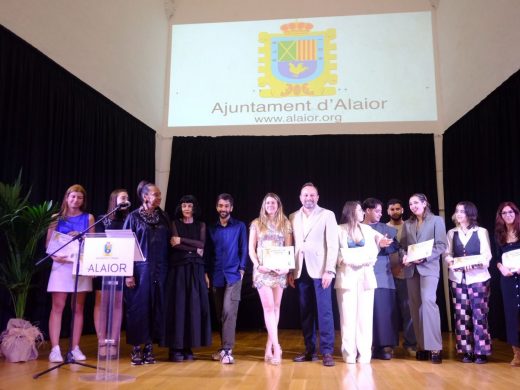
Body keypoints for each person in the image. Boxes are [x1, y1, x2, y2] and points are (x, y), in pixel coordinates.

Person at [289, 182, 338, 367]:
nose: (308, 198)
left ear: (317, 197)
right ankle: (310, 350)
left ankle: (327, 352)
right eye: (305, 195)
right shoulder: (293, 216)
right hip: (300, 270)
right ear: (300, 197)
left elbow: (333, 244)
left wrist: (329, 270)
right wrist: (292, 270)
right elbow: (292, 245)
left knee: (324, 311)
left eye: (312, 195)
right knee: (306, 312)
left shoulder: (327, 214)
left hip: (321, 271)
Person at [46, 184, 95, 363]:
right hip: (60, 266)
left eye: (79, 198)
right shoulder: (55, 218)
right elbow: (48, 245)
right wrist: (56, 256)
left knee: (78, 308)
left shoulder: (89, 218)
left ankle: (75, 347)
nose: (76, 200)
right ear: (67, 197)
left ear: (83, 200)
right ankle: (55, 349)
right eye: (73, 196)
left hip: (79, 266)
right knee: (58, 306)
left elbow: (92, 244)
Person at [123, 181, 171, 365]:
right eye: (155, 194)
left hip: (160, 270)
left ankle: (149, 347)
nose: (159, 197)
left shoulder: (163, 217)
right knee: (138, 309)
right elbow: (126, 247)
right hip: (139, 271)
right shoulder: (134, 217)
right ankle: (136, 348)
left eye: (159, 195)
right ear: (145, 196)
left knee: (156, 308)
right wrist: (128, 273)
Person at [336, 201, 387, 364]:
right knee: (347, 316)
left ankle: (365, 353)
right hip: (347, 275)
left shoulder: (368, 229)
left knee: (365, 317)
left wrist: (382, 242)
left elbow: (376, 247)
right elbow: (333, 251)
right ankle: (349, 353)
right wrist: (342, 259)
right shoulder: (339, 229)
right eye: (359, 210)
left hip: (365, 274)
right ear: (351, 212)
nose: (363, 213)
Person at [162, 195, 211, 362]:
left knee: (193, 308)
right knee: (178, 307)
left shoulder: (201, 225)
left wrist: (182, 240)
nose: (187, 208)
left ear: (194, 208)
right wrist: (193, 246)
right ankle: (175, 348)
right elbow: (174, 245)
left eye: (190, 206)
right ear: (180, 208)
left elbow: (202, 245)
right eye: (184, 206)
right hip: (178, 270)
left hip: (196, 269)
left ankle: (188, 346)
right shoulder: (174, 223)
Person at [400, 193, 447, 364]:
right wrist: (404, 256)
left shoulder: (436, 221)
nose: (413, 206)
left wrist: (425, 257)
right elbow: (403, 247)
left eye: (416, 203)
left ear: (425, 203)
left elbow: (441, 245)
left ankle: (435, 346)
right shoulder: (407, 223)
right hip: (411, 270)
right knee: (415, 307)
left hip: (429, 268)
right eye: (410, 203)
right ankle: (421, 346)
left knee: (428, 302)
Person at [445, 201, 492, 364]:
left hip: (478, 277)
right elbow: (447, 254)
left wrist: (477, 263)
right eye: (457, 211)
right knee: (461, 316)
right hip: (457, 279)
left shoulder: (481, 232)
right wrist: (450, 261)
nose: (459, 214)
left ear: (470, 214)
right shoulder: (452, 233)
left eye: (463, 212)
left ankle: (481, 351)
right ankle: (466, 350)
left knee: (479, 314)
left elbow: (486, 255)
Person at [249, 193, 292, 365]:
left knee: (275, 307)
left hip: (280, 270)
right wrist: (257, 265)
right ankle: (277, 348)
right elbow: (251, 249)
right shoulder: (256, 223)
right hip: (263, 270)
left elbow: (289, 247)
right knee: (268, 308)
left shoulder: (286, 223)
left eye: (273, 202)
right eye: (267, 202)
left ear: (278, 204)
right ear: (264, 205)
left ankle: (268, 346)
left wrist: (287, 267)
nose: (270, 205)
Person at [205, 193, 247, 364]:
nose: (223, 209)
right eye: (220, 206)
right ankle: (223, 349)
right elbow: (207, 252)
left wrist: (242, 269)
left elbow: (243, 248)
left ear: (231, 208)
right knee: (220, 314)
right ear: (217, 207)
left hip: (234, 275)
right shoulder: (211, 228)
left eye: (226, 206)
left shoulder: (240, 226)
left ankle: (228, 350)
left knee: (230, 312)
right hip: (215, 275)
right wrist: (206, 273)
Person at [93, 189, 130, 359]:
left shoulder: (129, 220)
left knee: (117, 304)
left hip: (120, 267)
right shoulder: (102, 219)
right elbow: (96, 241)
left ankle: (113, 341)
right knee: (101, 304)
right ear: (114, 199)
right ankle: (102, 341)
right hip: (103, 266)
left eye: (127, 198)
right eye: (123, 197)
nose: (126, 200)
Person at [362, 198, 400, 360]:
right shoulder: (357, 227)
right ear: (367, 211)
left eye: (380, 211)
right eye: (376, 211)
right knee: (364, 312)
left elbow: (395, 246)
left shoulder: (385, 228)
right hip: (362, 273)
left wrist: (386, 245)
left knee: (383, 311)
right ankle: (365, 345)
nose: (380, 214)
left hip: (382, 274)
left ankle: (384, 346)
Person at [386, 199, 417, 356]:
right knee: (389, 311)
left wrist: (402, 265)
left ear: (403, 210)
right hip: (387, 276)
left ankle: (410, 343)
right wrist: (392, 268)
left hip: (406, 274)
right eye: (392, 209)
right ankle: (389, 344)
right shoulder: (383, 228)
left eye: (398, 208)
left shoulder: (410, 227)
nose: (395, 211)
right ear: (388, 211)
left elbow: (412, 248)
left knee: (408, 310)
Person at [494, 201, 520, 366]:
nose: (508, 215)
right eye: (504, 213)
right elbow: (497, 258)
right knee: (512, 316)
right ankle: (517, 353)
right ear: (500, 216)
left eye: (511, 212)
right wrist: (501, 268)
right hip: (508, 279)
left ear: (516, 213)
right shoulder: (498, 234)